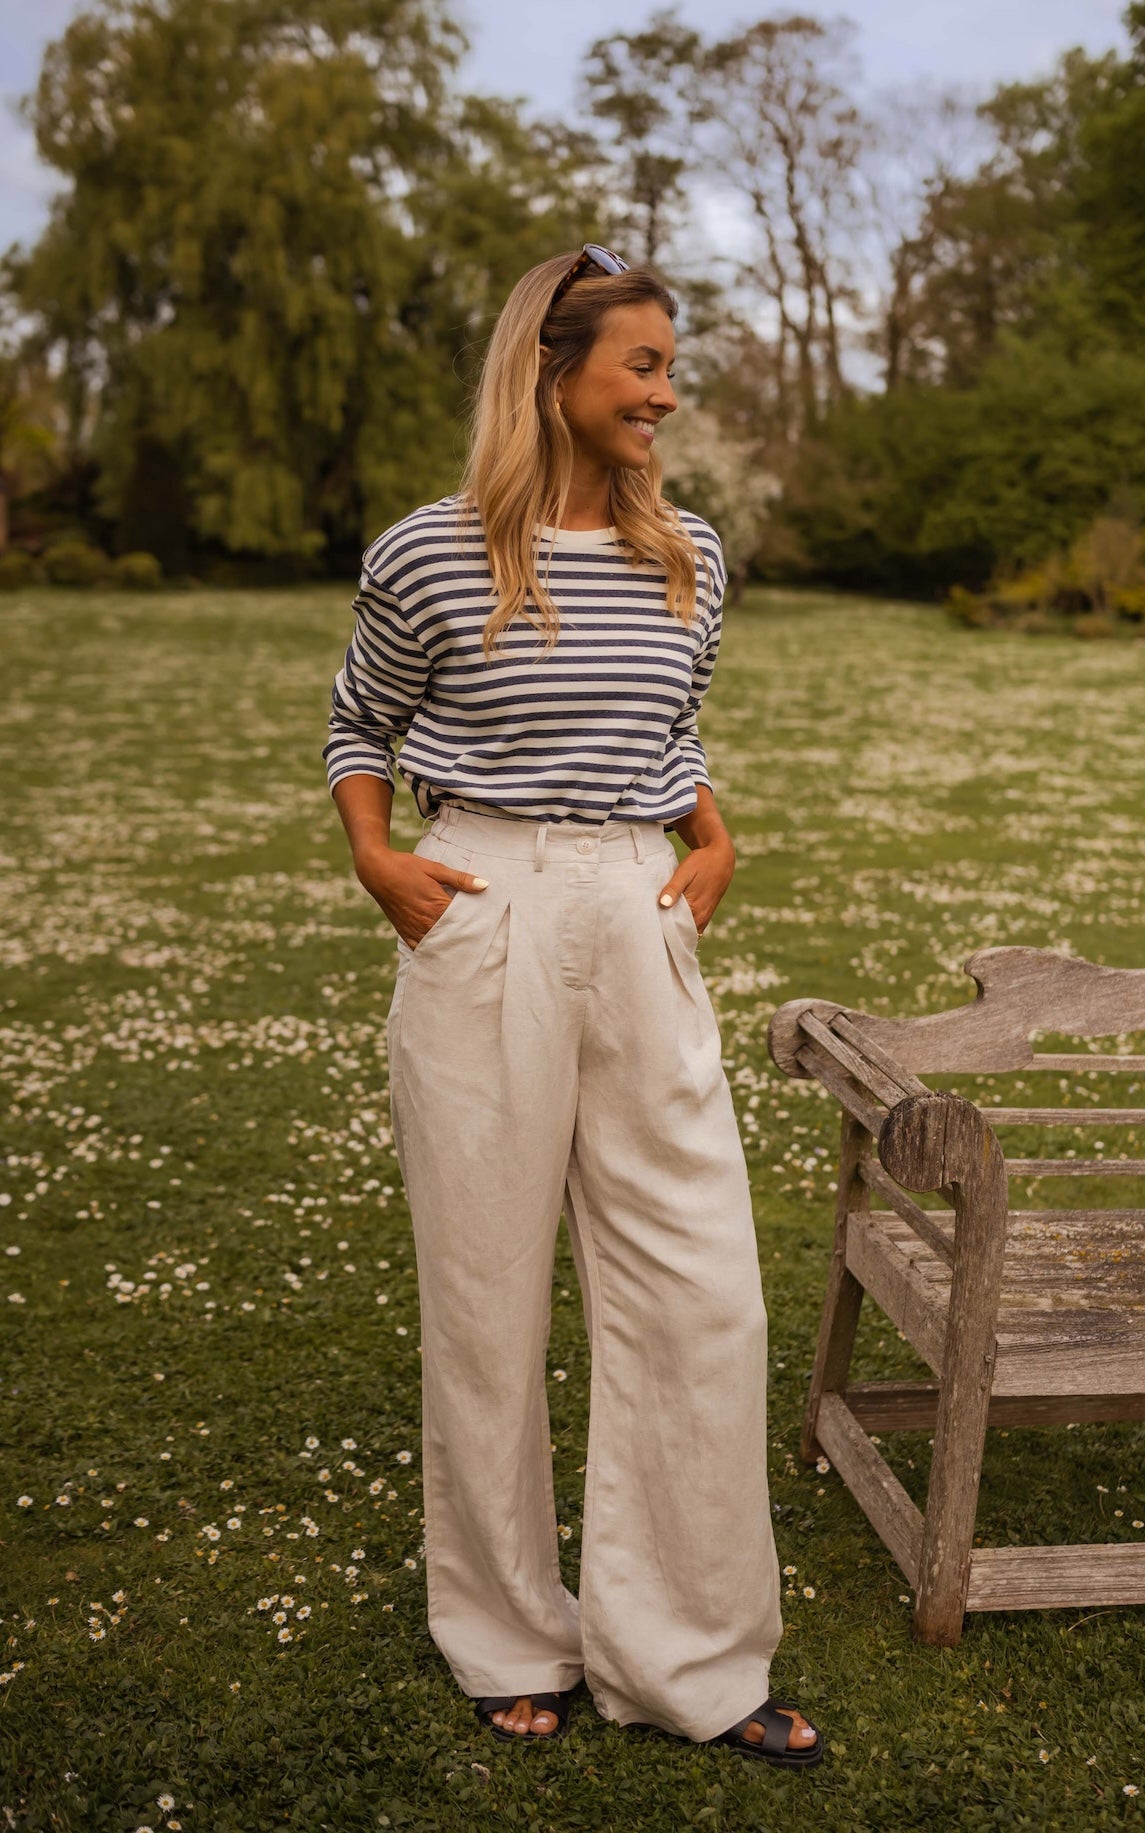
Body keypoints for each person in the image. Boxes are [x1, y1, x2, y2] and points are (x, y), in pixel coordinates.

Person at [322, 245, 824, 1771]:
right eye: (644, 366)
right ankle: (504, 1632)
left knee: (700, 1285)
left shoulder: (693, 557)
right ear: (553, 370)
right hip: (481, 905)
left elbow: (668, 734)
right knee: (484, 1294)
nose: (666, 394)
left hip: (638, 911)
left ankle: (688, 1652)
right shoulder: (429, 551)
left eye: (671, 368)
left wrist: (713, 837)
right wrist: (376, 858)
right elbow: (364, 717)